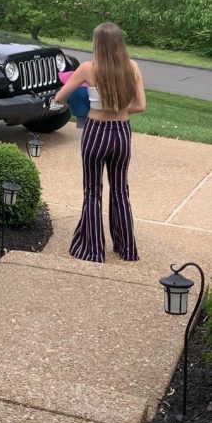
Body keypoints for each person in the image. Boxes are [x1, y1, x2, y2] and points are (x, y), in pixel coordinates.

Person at [54, 22, 146, 263]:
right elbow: (141, 105)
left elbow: (60, 97)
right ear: (119, 43)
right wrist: (120, 108)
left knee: (93, 191)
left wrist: (81, 103)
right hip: (122, 133)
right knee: (120, 190)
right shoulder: (132, 67)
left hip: (96, 133)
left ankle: (93, 250)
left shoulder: (88, 69)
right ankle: (127, 249)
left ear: (98, 44)